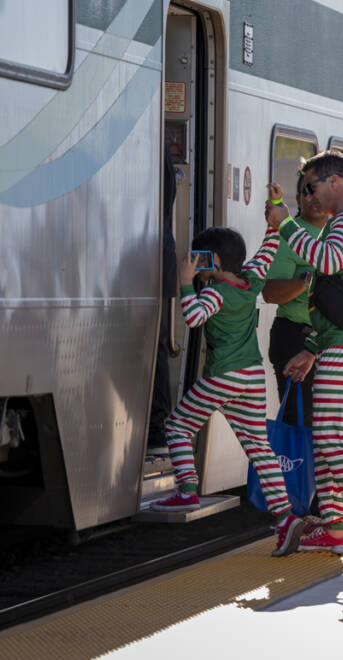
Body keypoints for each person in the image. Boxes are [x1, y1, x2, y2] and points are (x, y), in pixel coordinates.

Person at [152, 194, 306, 557]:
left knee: (176, 426)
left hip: (224, 377)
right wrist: (274, 215)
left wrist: (188, 282)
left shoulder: (216, 293)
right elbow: (270, 248)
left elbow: (192, 317)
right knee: (259, 449)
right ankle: (285, 519)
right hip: (252, 378)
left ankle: (187, 490)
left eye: (202, 260)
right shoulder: (251, 281)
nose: (198, 266)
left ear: (214, 261)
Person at [265, 150, 343, 553]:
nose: (308, 195)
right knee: (325, 438)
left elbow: (328, 262)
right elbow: (337, 292)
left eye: (312, 186)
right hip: (337, 340)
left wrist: (285, 227)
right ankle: (335, 525)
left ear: (336, 181)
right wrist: (313, 347)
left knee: (335, 435)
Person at [262, 160, 329, 428]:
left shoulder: (341, 231)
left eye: (318, 190)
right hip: (295, 338)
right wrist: (307, 279)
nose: (312, 197)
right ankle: (298, 471)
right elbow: (270, 293)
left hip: (328, 341)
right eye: (306, 191)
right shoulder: (288, 233)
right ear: (299, 196)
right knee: (301, 423)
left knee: (325, 427)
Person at [147, 149, 179, 459]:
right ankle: (156, 426)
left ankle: (157, 428)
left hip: (151, 259)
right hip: (151, 258)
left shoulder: (151, 146)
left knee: (154, 345)